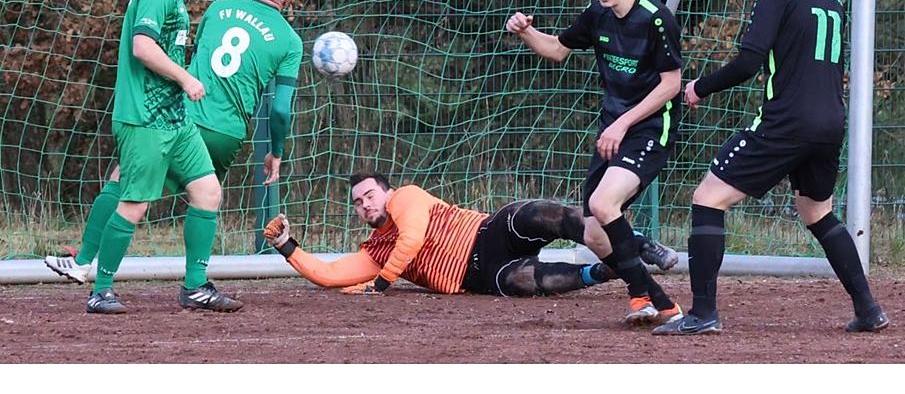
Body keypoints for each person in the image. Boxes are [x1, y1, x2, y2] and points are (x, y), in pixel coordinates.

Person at [652, 0, 889, 335]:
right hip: (831, 122)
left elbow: (748, 62)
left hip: (786, 122)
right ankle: (869, 309)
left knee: (708, 198)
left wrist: (699, 87)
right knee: (817, 212)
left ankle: (703, 313)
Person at [45, 0, 304, 314]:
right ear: (288, 1)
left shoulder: (218, 8)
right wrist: (276, 151)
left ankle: (88, 263)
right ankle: (191, 284)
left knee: (125, 184)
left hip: (181, 114)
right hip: (226, 131)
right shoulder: (290, 40)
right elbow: (280, 111)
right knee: (202, 196)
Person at [504, 0, 684, 324]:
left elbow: (671, 85)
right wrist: (524, 31)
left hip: (650, 129)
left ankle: (638, 297)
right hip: (612, 130)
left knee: (604, 205)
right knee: (594, 235)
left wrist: (623, 122)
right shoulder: (596, 14)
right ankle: (663, 302)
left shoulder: (656, 18)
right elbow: (556, 50)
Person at [264, 172, 678, 299]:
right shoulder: (375, 251)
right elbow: (329, 274)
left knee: (549, 214)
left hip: (487, 231)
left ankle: (641, 244)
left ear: (387, 192)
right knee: (527, 283)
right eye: (357, 203)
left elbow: (410, 240)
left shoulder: (405, 199)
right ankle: (606, 272)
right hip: (474, 278)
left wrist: (381, 284)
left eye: (369, 195)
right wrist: (288, 247)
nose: (365, 204)